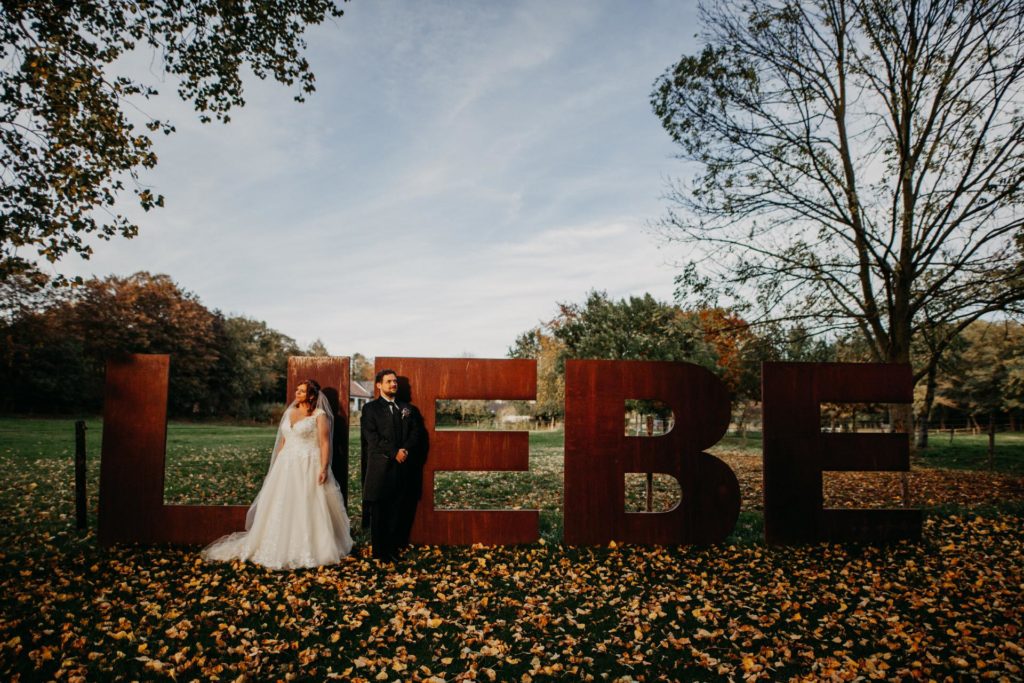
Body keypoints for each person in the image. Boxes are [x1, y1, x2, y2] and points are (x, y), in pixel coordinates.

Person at [202, 379, 353, 569]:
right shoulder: (289, 412)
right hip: (286, 464)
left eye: (302, 391)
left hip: (308, 464)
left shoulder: (319, 415)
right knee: (282, 502)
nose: (297, 393)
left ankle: (310, 547)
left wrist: (323, 468)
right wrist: (275, 465)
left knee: (306, 502)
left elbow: (324, 443)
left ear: (311, 395)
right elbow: (283, 440)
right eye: (297, 390)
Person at [360, 368, 424, 562]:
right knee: (380, 510)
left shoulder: (407, 408)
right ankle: (380, 553)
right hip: (380, 468)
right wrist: (394, 452)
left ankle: (393, 550)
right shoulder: (370, 409)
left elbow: (416, 433)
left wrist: (405, 449)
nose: (393, 384)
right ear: (379, 385)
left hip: (402, 467)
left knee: (397, 509)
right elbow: (372, 437)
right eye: (389, 381)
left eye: (395, 381)